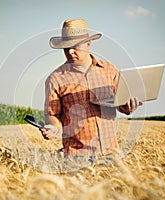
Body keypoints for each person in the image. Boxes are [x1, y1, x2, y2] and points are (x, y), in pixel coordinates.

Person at [40, 19, 140, 160]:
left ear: (88, 43)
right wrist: (53, 127)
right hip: (76, 157)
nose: (70, 51)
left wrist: (129, 105)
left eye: (75, 46)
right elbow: (52, 114)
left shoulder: (110, 70)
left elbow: (123, 106)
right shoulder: (55, 79)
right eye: (66, 47)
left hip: (110, 154)